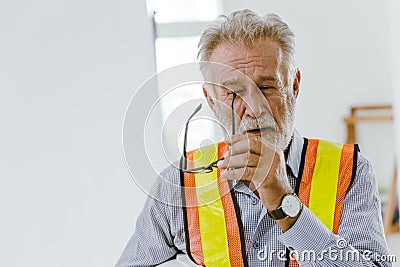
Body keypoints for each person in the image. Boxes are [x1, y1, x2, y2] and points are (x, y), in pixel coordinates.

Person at [116, 9, 391, 267]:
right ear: (211, 100)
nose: (254, 106)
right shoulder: (177, 185)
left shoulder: (350, 171)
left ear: (293, 86)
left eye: (266, 87)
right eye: (233, 92)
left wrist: (285, 203)